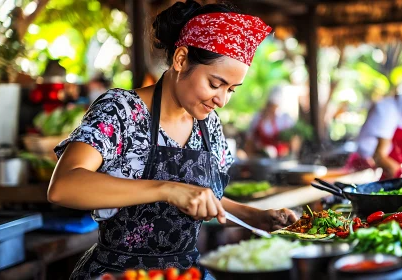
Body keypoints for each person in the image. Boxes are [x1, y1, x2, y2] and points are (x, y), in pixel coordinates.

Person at [47, 1, 297, 279]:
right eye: (215, 84)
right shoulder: (120, 110)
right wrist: (167, 189)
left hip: (185, 274)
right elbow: (63, 186)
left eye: (231, 90)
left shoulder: (208, 124)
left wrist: (257, 217)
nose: (222, 100)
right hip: (117, 274)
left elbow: (205, 200)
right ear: (181, 59)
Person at [245, 85, 295, 158]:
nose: (272, 109)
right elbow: (249, 140)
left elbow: (293, 142)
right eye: (270, 105)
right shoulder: (258, 117)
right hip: (259, 158)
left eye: (274, 106)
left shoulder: (284, 118)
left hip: (280, 159)